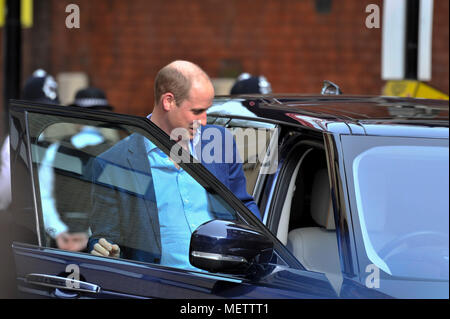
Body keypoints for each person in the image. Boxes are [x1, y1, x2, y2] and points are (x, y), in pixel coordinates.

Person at [88, 60, 261, 269]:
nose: (204, 121)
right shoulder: (115, 162)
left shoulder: (219, 142)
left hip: (226, 284)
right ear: (168, 101)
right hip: (162, 286)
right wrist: (108, 250)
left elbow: (243, 206)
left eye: (207, 110)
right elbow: (105, 237)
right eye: (197, 111)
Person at [39, 86, 116, 252]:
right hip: (101, 247)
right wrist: (89, 234)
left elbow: (43, 195)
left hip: (61, 243)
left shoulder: (55, 149)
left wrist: (59, 232)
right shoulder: (116, 154)